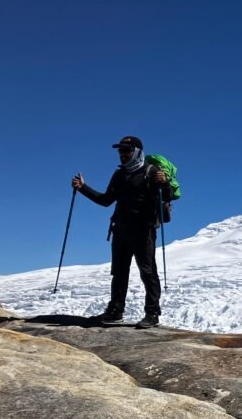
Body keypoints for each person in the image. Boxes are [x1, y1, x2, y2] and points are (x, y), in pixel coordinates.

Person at [72, 136, 172, 328]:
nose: (122, 155)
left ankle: (152, 314)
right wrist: (83, 188)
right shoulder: (119, 175)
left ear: (137, 152)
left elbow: (166, 196)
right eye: (121, 151)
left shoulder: (151, 172)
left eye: (127, 151)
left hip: (144, 231)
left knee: (148, 272)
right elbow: (106, 200)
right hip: (120, 230)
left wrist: (164, 182)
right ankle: (115, 311)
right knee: (119, 272)